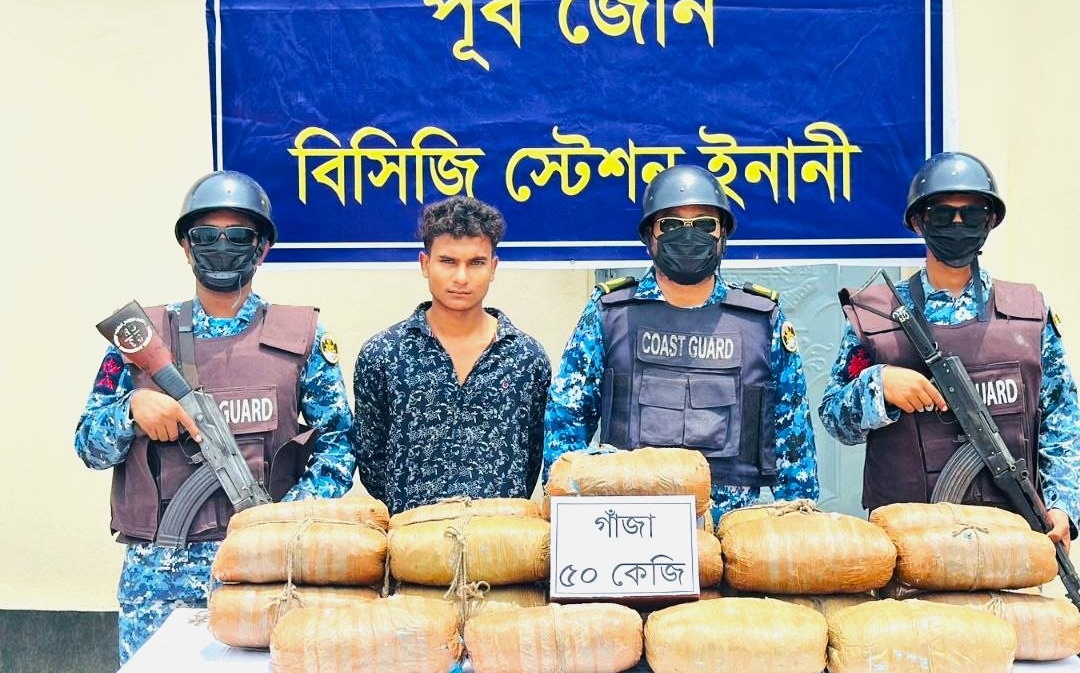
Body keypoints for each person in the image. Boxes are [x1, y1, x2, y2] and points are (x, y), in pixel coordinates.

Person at [74, 170, 356, 664]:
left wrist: (283, 521)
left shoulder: (301, 338)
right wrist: (131, 410)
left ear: (261, 248)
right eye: (206, 236)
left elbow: (339, 444)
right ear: (186, 247)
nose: (221, 247)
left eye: (238, 236)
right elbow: (87, 447)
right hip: (159, 580)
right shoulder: (141, 339)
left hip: (267, 571)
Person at [817, 151, 1080, 547]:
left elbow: (1061, 420)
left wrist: (1062, 506)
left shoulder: (1029, 314)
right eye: (942, 215)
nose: (957, 225)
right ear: (918, 222)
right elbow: (834, 419)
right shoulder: (876, 313)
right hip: (908, 544)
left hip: (1010, 539)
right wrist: (878, 386)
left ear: (990, 221)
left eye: (972, 214)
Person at [543, 164, 820, 525]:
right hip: (627, 527)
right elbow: (567, 422)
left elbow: (793, 437)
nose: (688, 235)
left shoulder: (761, 320)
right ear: (650, 236)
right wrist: (568, 517)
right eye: (671, 224)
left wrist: (799, 526)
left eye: (705, 224)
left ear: (722, 235)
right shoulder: (610, 314)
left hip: (732, 532)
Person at [353, 196, 552, 514]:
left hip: (503, 537)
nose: (461, 277)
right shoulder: (383, 354)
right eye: (448, 261)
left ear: (493, 267)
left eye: (476, 263)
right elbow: (371, 460)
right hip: (412, 538)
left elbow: (531, 458)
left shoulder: (527, 358)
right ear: (425, 264)